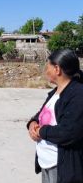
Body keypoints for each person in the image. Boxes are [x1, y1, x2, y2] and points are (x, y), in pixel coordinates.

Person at [27, 49, 83, 183]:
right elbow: (40, 114)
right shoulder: (55, 92)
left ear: (57, 69)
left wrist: (41, 131)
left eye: (48, 66)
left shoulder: (78, 94)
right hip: (46, 163)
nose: (46, 71)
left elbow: (69, 132)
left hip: (62, 167)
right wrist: (32, 124)